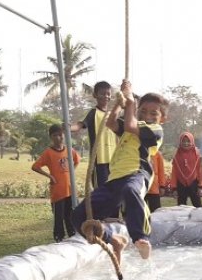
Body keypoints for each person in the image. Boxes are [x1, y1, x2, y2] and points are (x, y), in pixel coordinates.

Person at [71, 79, 167, 262]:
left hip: (137, 174)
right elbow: (110, 122)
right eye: (143, 111)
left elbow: (131, 125)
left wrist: (130, 101)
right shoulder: (130, 127)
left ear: (162, 118)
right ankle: (113, 239)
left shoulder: (155, 130)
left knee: (131, 191)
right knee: (78, 216)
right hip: (114, 180)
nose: (147, 115)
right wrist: (119, 103)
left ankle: (140, 237)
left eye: (153, 113)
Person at [31, 124, 81, 243]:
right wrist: (49, 176)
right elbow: (35, 166)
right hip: (58, 191)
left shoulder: (69, 150)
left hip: (70, 189)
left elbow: (77, 160)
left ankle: (73, 235)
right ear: (51, 137)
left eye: (60, 135)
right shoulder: (48, 153)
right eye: (55, 135)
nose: (58, 138)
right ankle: (59, 238)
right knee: (59, 216)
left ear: (64, 135)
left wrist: (71, 172)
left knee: (71, 214)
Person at [71, 81, 117, 188]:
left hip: (113, 160)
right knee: (101, 192)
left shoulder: (112, 115)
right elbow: (80, 125)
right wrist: (69, 128)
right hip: (99, 160)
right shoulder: (93, 113)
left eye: (108, 94)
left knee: (114, 190)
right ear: (95, 95)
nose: (106, 96)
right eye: (102, 93)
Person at [169, 132, 202, 207]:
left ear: (192, 142)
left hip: (194, 183)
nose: (186, 143)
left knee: (198, 205)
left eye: (188, 141)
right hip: (181, 184)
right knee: (181, 206)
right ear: (180, 142)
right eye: (184, 141)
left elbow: (200, 171)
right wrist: (174, 188)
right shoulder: (177, 156)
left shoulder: (197, 155)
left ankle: (201, 218)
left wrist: (201, 186)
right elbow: (174, 172)